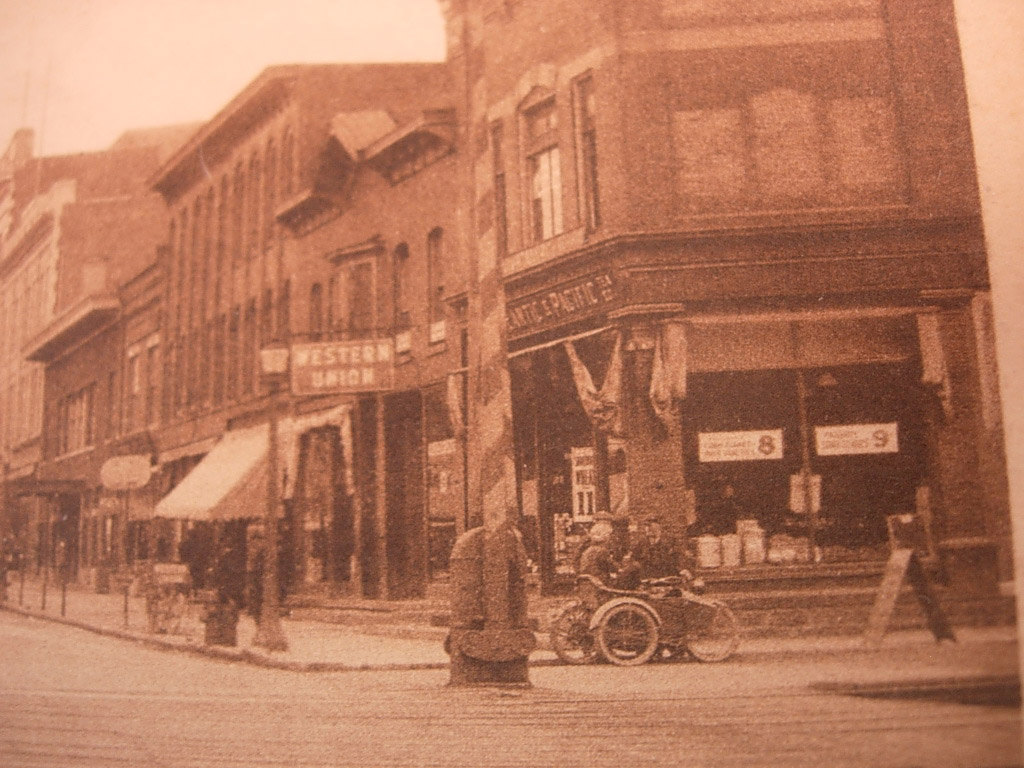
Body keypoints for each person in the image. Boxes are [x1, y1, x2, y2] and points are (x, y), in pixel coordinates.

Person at [578, 521, 640, 590]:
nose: (610, 538)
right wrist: (625, 568)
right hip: (602, 584)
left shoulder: (588, 550)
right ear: (605, 537)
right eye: (609, 535)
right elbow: (614, 567)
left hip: (592, 583)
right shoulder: (601, 551)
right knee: (634, 569)